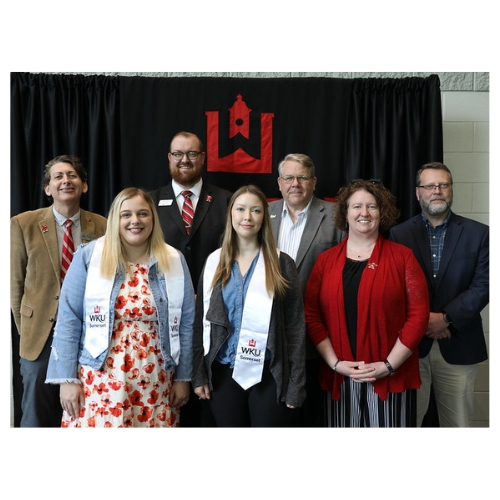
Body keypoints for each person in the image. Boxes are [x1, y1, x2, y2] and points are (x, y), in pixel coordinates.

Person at [45, 187, 195, 427]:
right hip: (99, 375)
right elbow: (68, 319)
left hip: (156, 378)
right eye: (126, 215)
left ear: (153, 219)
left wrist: (184, 377)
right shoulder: (89, 256)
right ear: (115, 219)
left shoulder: (173, 260)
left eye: (143, 214)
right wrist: (67, 379)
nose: (135, 221)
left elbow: (187, 322)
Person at [305, 180, 429, 427]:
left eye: (372, 206)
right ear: (345, 213)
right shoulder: (325, 261)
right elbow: (311, 315)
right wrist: (335, 363)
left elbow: (418, 315)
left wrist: (388, 365)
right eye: (357, 206)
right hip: (339, 376)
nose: (364, 213)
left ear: (381, 213)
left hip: (389, 376)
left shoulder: (402, 257)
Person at [192, 185, 306, 427]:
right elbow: (199, 323)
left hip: (268, 374)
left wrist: (296, 385)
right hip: (222, 373)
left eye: (255, 211)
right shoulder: (214, 262)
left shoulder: (281, 263)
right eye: (241, 209)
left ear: (264, 217)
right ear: (230, 214)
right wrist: (199, 374)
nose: (247, 217)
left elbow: (295, 328)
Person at [10, 155, 107, 427]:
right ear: (48, 189)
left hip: (89, 333)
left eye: (72, 175)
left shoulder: (102, 226)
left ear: (84, 186)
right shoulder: (23, 224)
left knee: (84, 409)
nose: (66, 180)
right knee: (36, 412)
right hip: (39, 334)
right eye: (58, 176)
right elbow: (14, 284)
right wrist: (27, 326)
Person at [389, 162, 489, 427]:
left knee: (459, 426)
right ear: (418, 192)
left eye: (443, 185)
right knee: (407, 424)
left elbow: (484, 285)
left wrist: (446, 318)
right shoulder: (398, 235)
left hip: (460, 341)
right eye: (430, 185)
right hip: (409, 348)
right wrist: (424, 322)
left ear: (451, 190)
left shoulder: (480, 234)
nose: (437, 191)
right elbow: (394, 289)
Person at [150, 131, 232, 426]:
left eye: (192, 153)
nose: (185, 160)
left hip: (216, 313)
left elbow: (235, 254)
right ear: (169, 158)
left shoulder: (226, 201)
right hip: (163, 317)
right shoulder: (148, 202)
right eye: (178, 154)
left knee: (210, 404)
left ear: (203, 158)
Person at [269, 153, 345, 426]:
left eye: (302, 177)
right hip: (270, 332)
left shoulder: (336, 216)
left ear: (313, 182)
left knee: (312, 414)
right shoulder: (263, 215)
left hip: (318, 332)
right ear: (279, 182)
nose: (295, 184)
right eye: (289, 177)